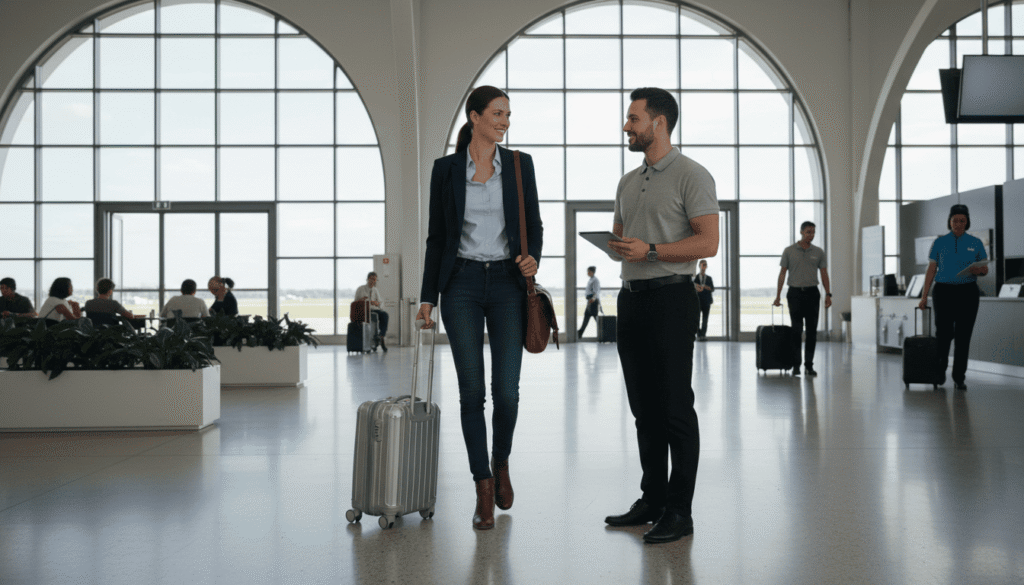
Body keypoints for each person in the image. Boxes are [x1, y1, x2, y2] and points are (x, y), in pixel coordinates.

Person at [415, 85, 542, 531]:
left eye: (508, 114)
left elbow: (535, 225)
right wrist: (428, 297)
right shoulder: (446, 170)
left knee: (506, 390)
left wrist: (532, 259)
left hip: (509, 284)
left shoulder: (520, 166)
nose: (505, 121)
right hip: (462, 285)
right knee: (472, 394)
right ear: (474, 118)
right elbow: (436, 238)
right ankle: (483, 487)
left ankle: (501, 460)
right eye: (497, 113)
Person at [604, 87, 719, 544]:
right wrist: (619, 245)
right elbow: (619, 236)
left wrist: (651, 249)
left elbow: (707, 243)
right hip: (630, 299)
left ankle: (679, 511)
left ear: (659, 123)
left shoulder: (693, 175)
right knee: (643, 410)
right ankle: (651, 499)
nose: (627, 127)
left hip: (672, 299)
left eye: (633, 119)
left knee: (674, 408)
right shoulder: (628, 182)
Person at [917, 204, 988, 391]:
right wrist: (924, 296)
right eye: (955, 220)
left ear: (967, 222)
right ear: (949, 222)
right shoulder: (940, 243)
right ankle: (939, 373)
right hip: (944, 292)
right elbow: (931, 269)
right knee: (944, 334)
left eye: (962, 220)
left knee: (963, 337)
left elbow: (985, 269)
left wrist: (978, 270)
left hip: (968, 293)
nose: (958, 224)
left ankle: (959, 377)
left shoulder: (976, 243)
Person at [773, 221, 832, 376]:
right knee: (796, 330)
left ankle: (809, 365)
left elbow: (824, 274)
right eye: (808, 232)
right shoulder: (789, 251)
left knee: (812, 331)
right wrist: (778, 295)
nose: (811, 235)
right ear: (801, 232)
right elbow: (782, 274)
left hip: (813, 294)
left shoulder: (818, 252)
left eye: (813, 232)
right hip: (795, 294)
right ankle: (796, 365)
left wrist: (828, 293)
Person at [354, 272, 389, 352]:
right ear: (368, 279)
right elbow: (355, 302)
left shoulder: (375, 290)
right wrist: (362, 300)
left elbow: (380, 302)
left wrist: (377, 303)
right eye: (371, 279)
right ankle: (370, 342)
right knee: (372, 317)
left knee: (384, 315)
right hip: (364, 310)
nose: (373, 281)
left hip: (374, 309)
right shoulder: (361, 289)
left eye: (375, 280)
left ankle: (381, 336)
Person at [577, 266, 601, 338]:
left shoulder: (595, 280)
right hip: (590, 301)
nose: (587, 273)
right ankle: (580, 332)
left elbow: (596, 291)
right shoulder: (591, 280)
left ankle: (580, 333)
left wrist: (593, 298)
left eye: (589, 271)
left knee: (592, 317)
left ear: (592, 272)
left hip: (592, 301)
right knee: (587, 316)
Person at [694, 260, 715, 341]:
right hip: (698, 301)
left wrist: (706, 287)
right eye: (702, 265)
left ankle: (703, 335)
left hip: (706, 301)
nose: (703, 267)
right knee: (697, 319)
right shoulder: (695, 277)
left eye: (705, 265)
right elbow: (693, 288)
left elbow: (712, 289)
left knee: (705, 319)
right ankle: (699, 334)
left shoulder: (709, 278)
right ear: (699, 266)